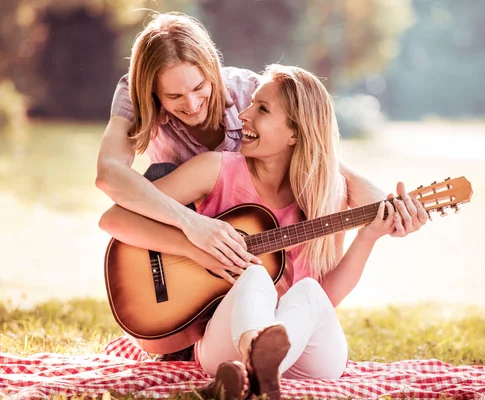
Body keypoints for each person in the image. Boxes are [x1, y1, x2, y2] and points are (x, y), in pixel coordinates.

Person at [100, 64, 427, 400]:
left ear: (295, 134)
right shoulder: (217, 170)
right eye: (251, 103)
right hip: (225, 346)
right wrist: (192, 245)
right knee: (254, 277)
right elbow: (114, 218)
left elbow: (325, 301)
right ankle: (256, 358)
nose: (243, 115)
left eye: (262, 109)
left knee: (311, 293)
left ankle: (249, 378)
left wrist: (368, 236)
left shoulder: (330, 196)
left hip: (308, 355)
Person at [95, 12, 425, 289]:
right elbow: (110, 176)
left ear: (211, 71)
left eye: (199, 88)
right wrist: (191, 229)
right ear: (152, 93)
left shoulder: (252, 95)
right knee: (160, 176)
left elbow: (325, 164)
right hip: (180, 226)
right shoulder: (134, 92)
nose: (193, 104)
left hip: (243, 226)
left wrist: (394, 213)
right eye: (174, 97)